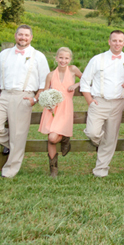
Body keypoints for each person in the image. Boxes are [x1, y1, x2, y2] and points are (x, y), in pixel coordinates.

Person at [0, 24, 50, 178]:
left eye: (26, 35)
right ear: (15, 36)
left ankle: (9, 172)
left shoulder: (38, 56)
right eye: (20, 34)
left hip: (24, 96)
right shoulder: (4, 54)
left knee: (18, 134)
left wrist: (34, 99)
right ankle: (15, 145)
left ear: (31, 38)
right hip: (4, 95)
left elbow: (45, 82)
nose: (23, 38)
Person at [80, 30, 124, 177]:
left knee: (111, 138)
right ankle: (101, 142)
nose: (117, 43)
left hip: (118, 103)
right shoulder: (97, 59)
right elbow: (84, 81)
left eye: (120, 41)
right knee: (92, 132)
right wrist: (90, 101)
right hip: (99, 101)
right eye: (114, 40)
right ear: (109, 42)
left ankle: (101, 170)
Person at [36, 47, 83, 178]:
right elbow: (45, 92)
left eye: (66, 58)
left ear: (70, 59)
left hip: (66, 107)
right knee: (50, 139)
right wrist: (48, 104)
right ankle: (53, 170)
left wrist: (76, 85)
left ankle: (65, 137)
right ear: (56, 58)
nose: (63, 60)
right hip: (52, 109)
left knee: (53, 137)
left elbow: (86, 79)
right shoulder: (50, 75)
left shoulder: (73, 70)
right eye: (61, 57)